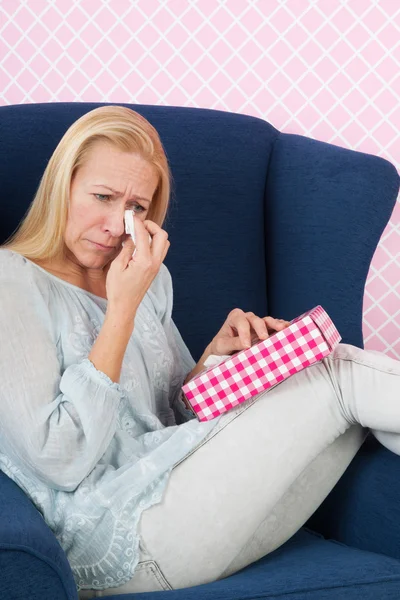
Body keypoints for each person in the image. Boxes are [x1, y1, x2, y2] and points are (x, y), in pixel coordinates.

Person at [0, 105, 399, 598]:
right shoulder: (11, 282)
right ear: (62, 186)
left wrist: (216, 359)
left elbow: (171, 419)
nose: (114, 226)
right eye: (101, 196)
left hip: (187, 504)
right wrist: (121, 308)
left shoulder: (146, 279)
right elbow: (61, 461)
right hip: (114, 539)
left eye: (136, 209)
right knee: (336, 377)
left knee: (330, 389)